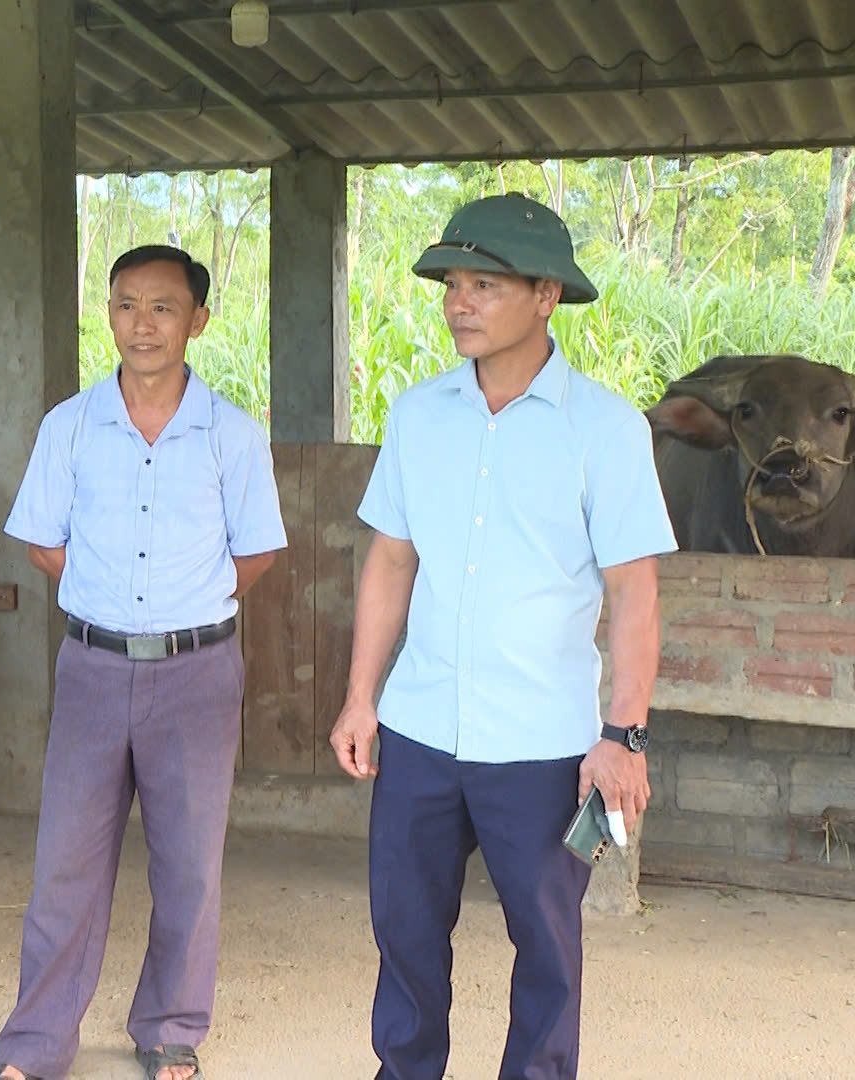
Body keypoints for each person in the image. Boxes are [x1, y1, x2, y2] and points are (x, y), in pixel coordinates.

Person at [327, 193, 677, 1080]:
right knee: (404, 932)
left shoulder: (605, 429)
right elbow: (391, 564)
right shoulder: (417, 416)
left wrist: (622, 734)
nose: (458, 303)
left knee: (548, 952)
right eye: (452, 283)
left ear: (546, 295)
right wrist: (362, 696)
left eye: (484, 284)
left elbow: (634, 592)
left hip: (545, 747)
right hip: (420, 733)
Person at [0, 246, 287, 1080]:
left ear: (198, 320)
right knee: (63, 866)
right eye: (124, 305)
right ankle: (36, 1047)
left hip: (197, 675)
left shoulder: (231, 434)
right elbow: (44, 539)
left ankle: (170, 1031)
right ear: (107, 314)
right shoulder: (70, 425)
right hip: (93, 666)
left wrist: (192, 599)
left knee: (189, 863)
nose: (141, 324)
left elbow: (254, 553)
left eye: (161, 307)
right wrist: (108, 594)